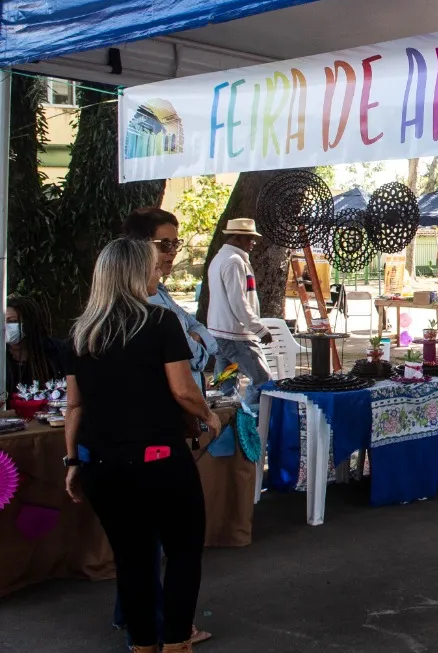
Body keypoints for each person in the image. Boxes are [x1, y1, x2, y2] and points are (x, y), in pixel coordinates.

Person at [63, 238, 220, 653]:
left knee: (131, 558)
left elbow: (74, 407)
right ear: (134, 274)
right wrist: (209, 415)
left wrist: (71, 461)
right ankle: (176, 640)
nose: (161, 273)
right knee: (183, 552)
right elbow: (184, 391)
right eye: (154, 267)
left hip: (102, 463)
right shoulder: (160, 322)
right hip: (159, 459)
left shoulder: (83, 332)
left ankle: (143, 644)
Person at [122, 207, 219, 389]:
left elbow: (202, 332)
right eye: (165, 244)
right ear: (141, 247)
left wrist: (194, 337)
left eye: (176, 244)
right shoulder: (145, 300)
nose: (173, 252)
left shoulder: (159, 291)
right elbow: (196, 358)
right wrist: (194, 340)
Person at [206, 219, 273, 405]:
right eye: (250, 238)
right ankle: (253, 422)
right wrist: (259, 329)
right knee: (263, 380)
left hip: (220, 334)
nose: (253, 243)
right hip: (235, 336)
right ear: (237, 238)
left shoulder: (222, 258)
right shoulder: (234, 262)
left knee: (227, 381)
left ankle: (228, 421)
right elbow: (239, 302)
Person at [4, 294, 68, 401]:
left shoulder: (56, 351)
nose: (6, 326)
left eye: (12, 321)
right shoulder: (3, 358)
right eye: (3, 321)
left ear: (29, 323)